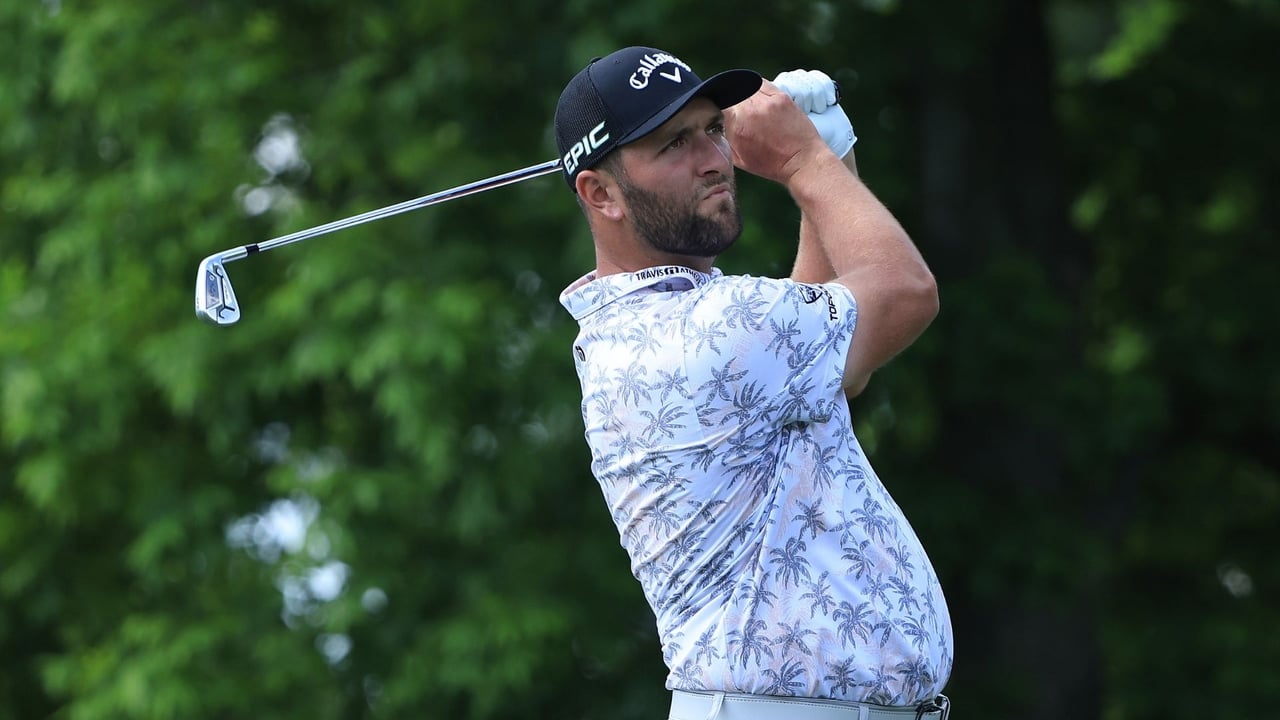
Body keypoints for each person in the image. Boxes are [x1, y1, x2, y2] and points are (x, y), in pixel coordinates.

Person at [553, 46, 953, 720]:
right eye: (674, 143)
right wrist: (805, 164)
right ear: (599, 193)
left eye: (713, 128)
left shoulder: (658, 324)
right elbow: (903, 294)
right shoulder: (702, 330)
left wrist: (828, 152)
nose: (714, 158)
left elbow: (826, 367)